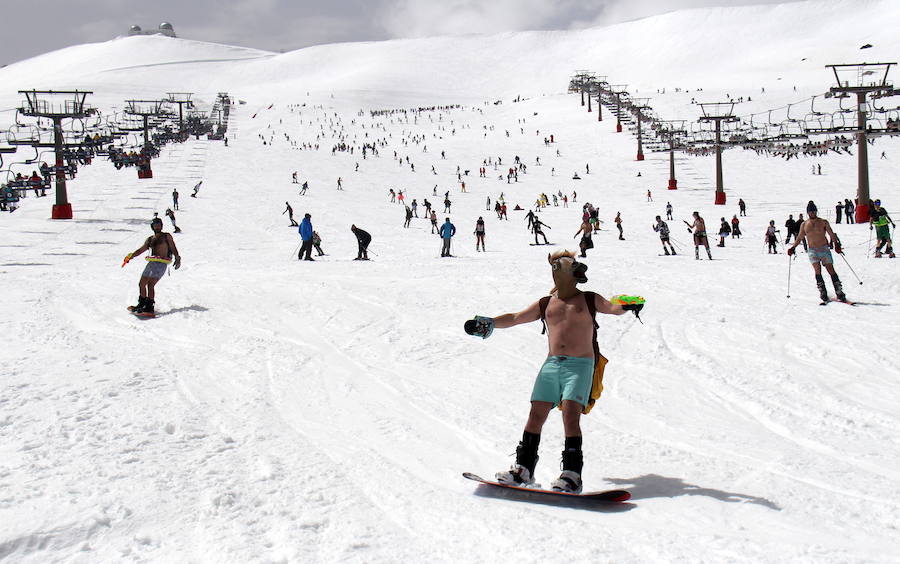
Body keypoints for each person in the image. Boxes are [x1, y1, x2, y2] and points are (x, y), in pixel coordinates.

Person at [465, 250, 642, 492]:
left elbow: (612, 307)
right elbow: (516, 318)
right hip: (552, 364)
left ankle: (572, 474)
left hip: (580, 366)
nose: (562, 270)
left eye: (566, 266)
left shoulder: (589, 299)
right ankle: (523, 469)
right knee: (536, 414)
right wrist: (491, 322)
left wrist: (626, 303)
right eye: (559, 266)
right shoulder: (546, 303)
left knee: (570, 414)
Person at [787, 201, 847, 302]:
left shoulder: (823, 222)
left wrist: (836, 244)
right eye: (810, 211)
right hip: (812, 251)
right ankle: (822, 291)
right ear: (808, 213)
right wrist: (793, 247)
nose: (812, 213)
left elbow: (831, 234)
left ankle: (839, 291)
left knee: (830, 269)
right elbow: (800, 237)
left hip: (824, 249)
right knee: (817, 270)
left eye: (814, 211)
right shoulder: (804, 224)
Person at [123, 217, 181, 314]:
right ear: (152, 227)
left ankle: (149, 306)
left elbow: (173, 247)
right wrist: (131, 256)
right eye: (155, 225)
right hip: (152, 263)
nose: (157, 227)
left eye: (159, 225)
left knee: (150, 284)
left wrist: (177, 257)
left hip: (161, 264)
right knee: (142, 283)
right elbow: (141, 250)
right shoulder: (150, 239)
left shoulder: (166, 236)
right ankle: (142, 304)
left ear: (161, 226)